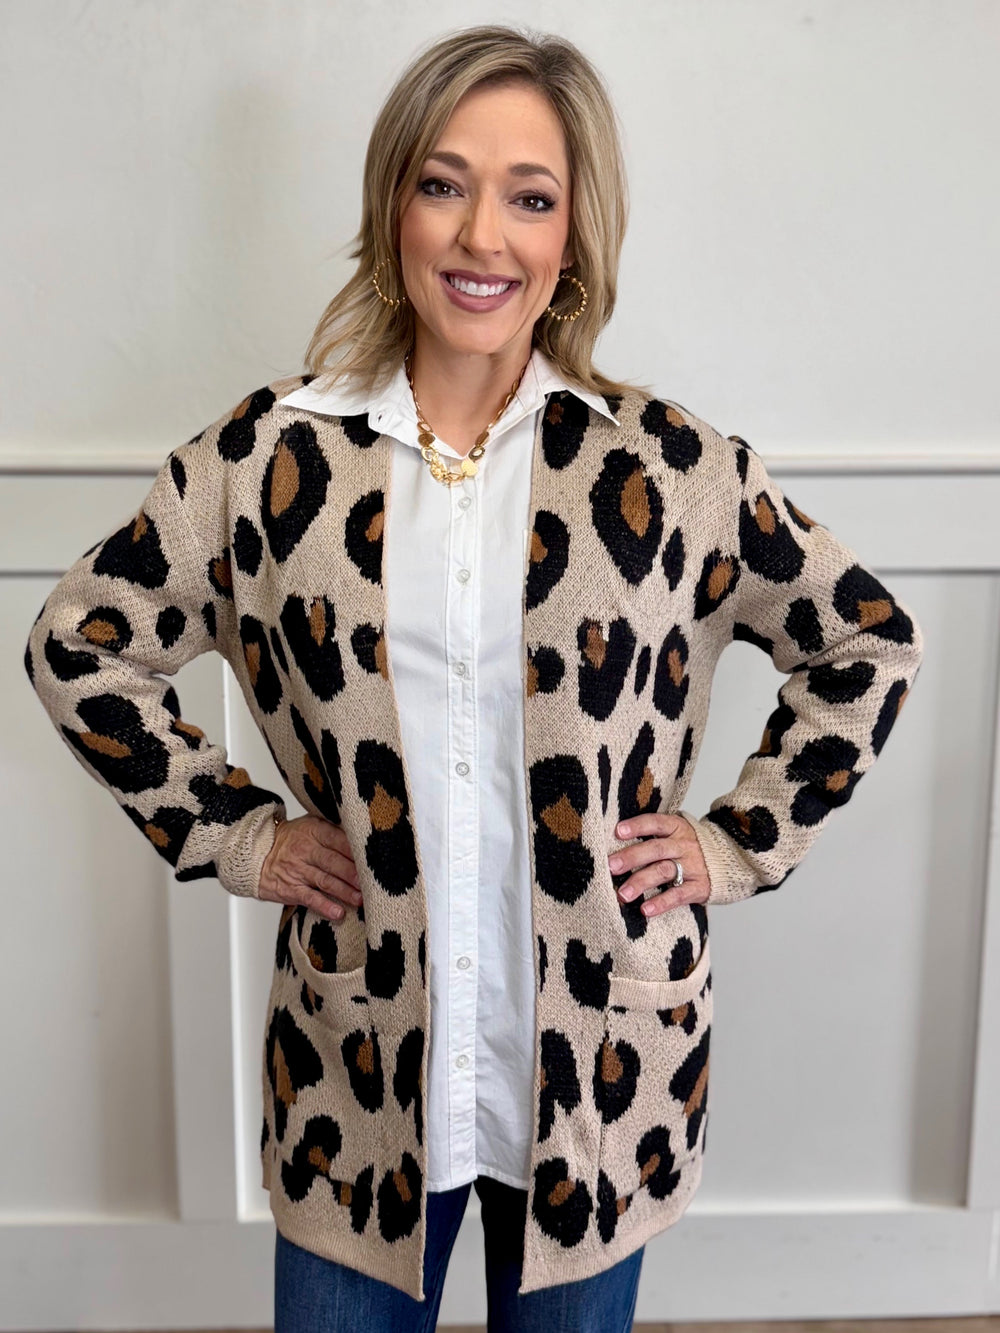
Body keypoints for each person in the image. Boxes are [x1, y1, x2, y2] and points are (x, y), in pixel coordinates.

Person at [24, 22, 924, 1333]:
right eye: (443, 184)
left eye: (530, 197)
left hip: (601, 1082)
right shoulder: (267, 458)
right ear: (393, 203)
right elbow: (79, 641)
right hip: (357, 1071)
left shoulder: (670, 469)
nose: (480, 236)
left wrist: (734, 842)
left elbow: (865, 640)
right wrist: (241, 835)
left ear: (574, 235)